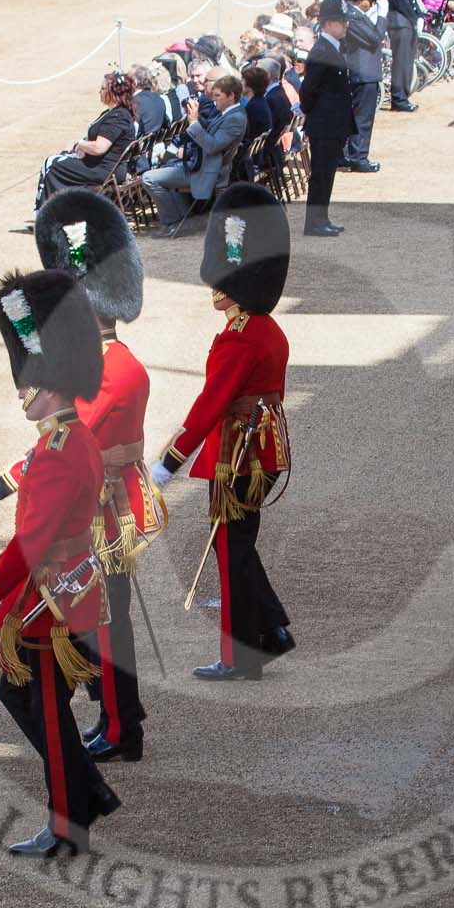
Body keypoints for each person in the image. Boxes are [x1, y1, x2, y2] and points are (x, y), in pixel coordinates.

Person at [0, 270, 120, 858]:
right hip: (70, 588)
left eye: (31, 383)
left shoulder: (55, 453)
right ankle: (86, 793)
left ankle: (69, 822)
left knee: (38, 707)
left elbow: (30, 542)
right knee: (29, 702)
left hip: (49, 598)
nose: (23, 392)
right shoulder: (72, 440)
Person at [0, 192, 159, 763]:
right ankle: (120, 717)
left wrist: (9, 480)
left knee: (99, 628)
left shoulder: (107, 371)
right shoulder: (124, 359)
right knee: (106, 622)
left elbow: (70, 437)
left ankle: (118, 725)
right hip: (114, 501)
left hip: (99, 515)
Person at [150, 184, 294, 681]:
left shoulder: (239, 337)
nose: (217, 285)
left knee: (230, 551)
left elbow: (209, 404)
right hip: (263, 450)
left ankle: (240, 656)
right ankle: (270, 631)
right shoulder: (267, 328)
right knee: (237, 545)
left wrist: (169, 460)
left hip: (239, 455)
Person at [144, 72, 248, 239]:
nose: (214, 100)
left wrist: (193, 122)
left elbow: (212, 146)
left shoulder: (235, 118)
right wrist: (196, 116)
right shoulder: (230, 113)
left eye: (218, 96)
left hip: (207, 171)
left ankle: (174, 222)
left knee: (149, 178)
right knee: (164, 167)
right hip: (202, 165)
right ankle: (183, 221)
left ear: (231, 96)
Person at [34, 70, 141, 210]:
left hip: (105, 169)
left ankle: (51, 214)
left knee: (53, 165)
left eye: (102, 89)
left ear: (113, 93)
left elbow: (99, 148)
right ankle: (57, 212)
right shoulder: (114, 113)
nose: (99, 92)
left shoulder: (118, 117)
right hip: (102, 165)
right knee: (57, 159)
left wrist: (80, 144)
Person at [297, 0, 355, 238]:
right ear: (329, 24)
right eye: (342, 22)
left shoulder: (330, 48)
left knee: (327, 173)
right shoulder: (322, 51)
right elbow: (308, 91)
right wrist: (315, 114)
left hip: (331, 122)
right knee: (321, 174)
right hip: (325, 123)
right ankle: (315, 221)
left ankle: (322, 217)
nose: (346, 26)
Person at [341, 0, 383, 172]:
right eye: (370, 1)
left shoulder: (353, 14)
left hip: (362, 71)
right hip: (362, 72)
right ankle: (358, 157)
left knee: (357, 117)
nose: (372, 6)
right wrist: (382, 18)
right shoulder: (352, 15)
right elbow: (374, 38)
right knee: (362, 118)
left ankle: (350, 155)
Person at [382, 0, 421, 113]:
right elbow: (400, 1)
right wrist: (414, 17)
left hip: (407, 22)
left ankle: (403, 94)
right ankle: (398, 97)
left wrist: (419, 15)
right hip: (400, 23)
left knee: (407, 60)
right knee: (401, 61)